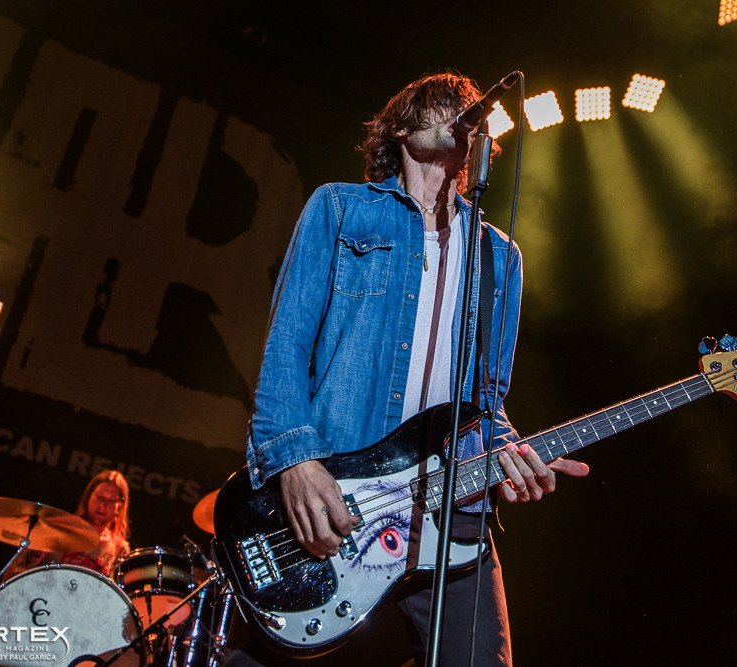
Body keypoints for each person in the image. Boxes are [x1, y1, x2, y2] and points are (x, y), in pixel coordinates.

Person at [238, 71, 588, 666]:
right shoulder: (341, 209)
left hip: (453, 515)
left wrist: (509, 453)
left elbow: (486, 399)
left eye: (467, 111)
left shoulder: (501, 257)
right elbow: (287, 345)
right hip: (340, 497)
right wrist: (293, 459)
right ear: (399, 128)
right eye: (440, 106)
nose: (460, 112)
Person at [3, 469, 131, 579]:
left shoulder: (119, 549)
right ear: (89, 496)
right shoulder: (57, 528)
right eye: (99, 496)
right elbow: (14, 573)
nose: (103, 505)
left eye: (111, 500)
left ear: (120, 506)